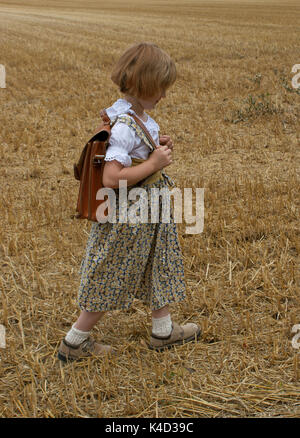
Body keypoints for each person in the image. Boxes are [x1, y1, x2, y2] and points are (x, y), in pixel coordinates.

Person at [58, 42, 200, 362]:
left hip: (150, 211)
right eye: (161, 88)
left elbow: (137, 149)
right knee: (111, 272)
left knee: (158, 263)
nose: (164, 95)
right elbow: (111, 178)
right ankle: (75, 341)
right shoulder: (123, 125)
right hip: (130, 215)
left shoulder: (135, 115)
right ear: (146, 85)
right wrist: (153, 165)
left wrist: (154, 147)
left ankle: (163, 330)